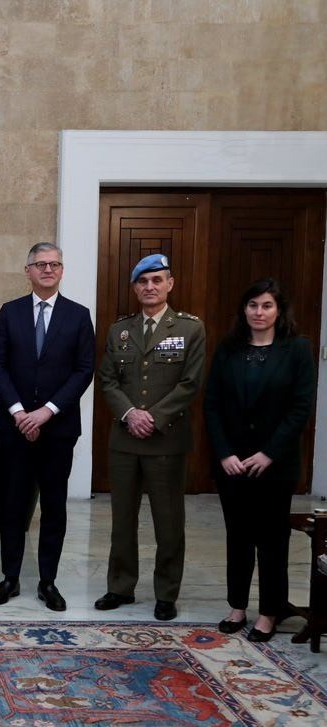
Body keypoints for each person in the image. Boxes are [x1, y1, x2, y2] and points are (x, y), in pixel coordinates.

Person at [95, 253, 205, 621]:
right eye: (143, 281)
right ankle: (120, 586)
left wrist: (153, 417)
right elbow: (107, 379)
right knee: (122, 520)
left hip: (166, 441)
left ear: (170, 284)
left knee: (168, 522)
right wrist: (130, 414)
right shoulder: (120, 330)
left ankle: (166, 593)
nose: (150, 286)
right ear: (135, 287)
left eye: (157, 280)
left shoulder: (190, 328)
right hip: (125, 439)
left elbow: (190, 383)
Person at [204, 279, 315, 642]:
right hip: (233, 464)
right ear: (244, 309)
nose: (259, 312)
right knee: (238, 537)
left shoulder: (297, 349)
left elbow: (300, 408)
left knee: (272, 540)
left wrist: (269, 453)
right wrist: (224, 453)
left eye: (267, 305)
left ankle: (269, 612)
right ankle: (237, 607)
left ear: (279, 310)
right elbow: (212, 404)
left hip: (275, 464)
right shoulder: (229, 348)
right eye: (252, 305)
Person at [0, 243, 95, 612]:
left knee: (53, 506)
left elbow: (84, 370)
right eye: (40, 264)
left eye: (54, 264)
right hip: (14, 426)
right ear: (28, 270)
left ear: (62, 271)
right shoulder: (10, 312)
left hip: (57, 429)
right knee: (12, 505)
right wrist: (20, 412)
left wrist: (46, 412)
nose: (48, 269)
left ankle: (48, 581)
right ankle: (10, 577)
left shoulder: (78, 316)